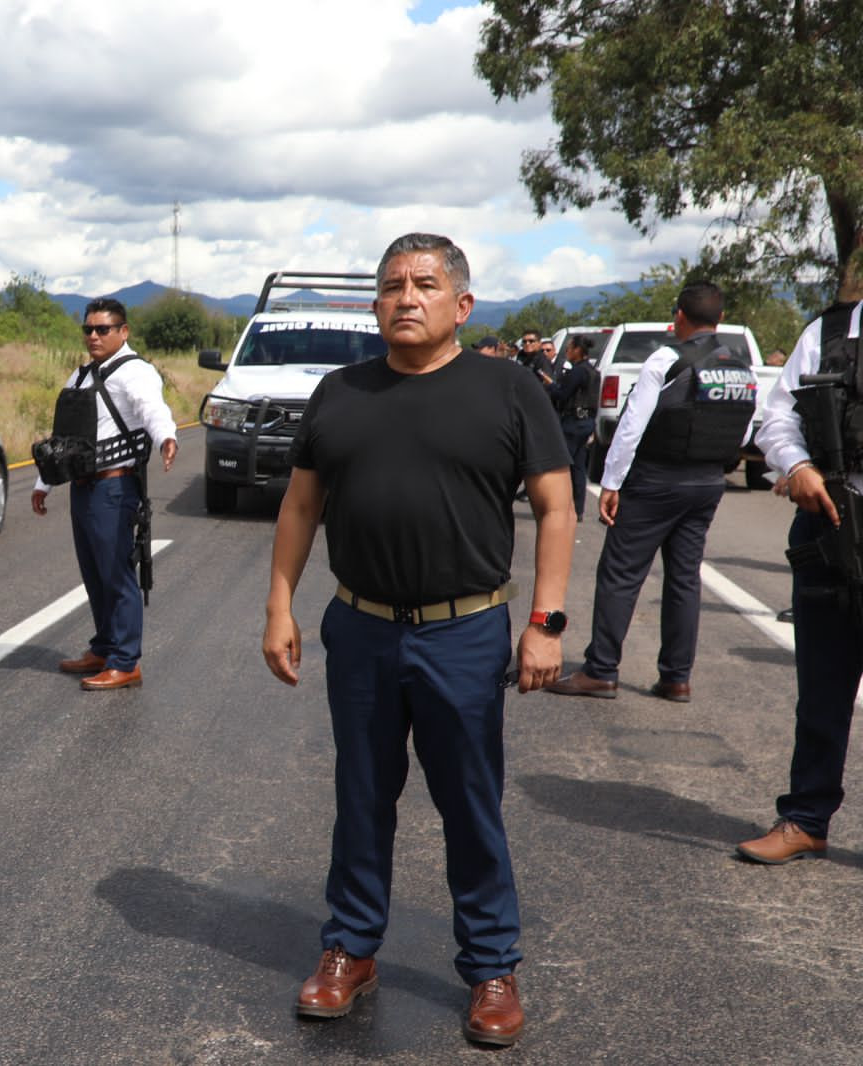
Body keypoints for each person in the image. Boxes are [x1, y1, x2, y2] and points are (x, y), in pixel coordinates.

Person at [263, 233, 575, 1048]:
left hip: (464, 633)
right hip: (359, 627)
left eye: (425, 284)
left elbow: (556, 507)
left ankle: (491, 967)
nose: (407, 297)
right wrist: (279, 606)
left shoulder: (507, 389)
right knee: (361, 795)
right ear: (375, 304)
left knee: (470, 804)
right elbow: (300, 506)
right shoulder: (339, 392)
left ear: (461, 305)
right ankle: (350, 948)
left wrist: (544, 623)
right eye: (392, 285)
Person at [546, 281, 756, 703]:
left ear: (678, 315)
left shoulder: (667, 358)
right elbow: (745, 428)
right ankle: (677, 678)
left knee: (621, 573)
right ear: (718, 318)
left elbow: (631, 425)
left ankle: (601, 670)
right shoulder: (738, 365)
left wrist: (611, 482)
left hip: (657, 480)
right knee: (684, 579)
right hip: (708, 483)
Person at [736, 298, 863, 863]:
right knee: (823, 684)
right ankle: (806, 818)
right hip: (833, 518)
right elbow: (779, 417)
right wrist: (797, 466)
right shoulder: (831, 331)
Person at [32, 297, 178, 691]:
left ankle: (126, 661)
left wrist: (166, 436)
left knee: (116, 574)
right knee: (93, 573)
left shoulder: (136, 373)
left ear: (123, 331)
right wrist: (44, 482)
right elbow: (65, 436)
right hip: (84, 487)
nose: (93, 336)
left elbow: (153, 410)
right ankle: (104, 646)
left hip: (115, 486)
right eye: (88, 329)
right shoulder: (80, 376)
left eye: (103, 329)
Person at [545, 334, 600, 519]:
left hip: (573, 423)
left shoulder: (578, 371)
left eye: (569, 348)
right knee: (578, 467)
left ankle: (559, 507)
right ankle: (578, 509)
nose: (567, 351)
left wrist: (551, 385)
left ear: (578, 350)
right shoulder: (592, 370)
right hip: (586, 422)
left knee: (561, 465)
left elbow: (562, 394)